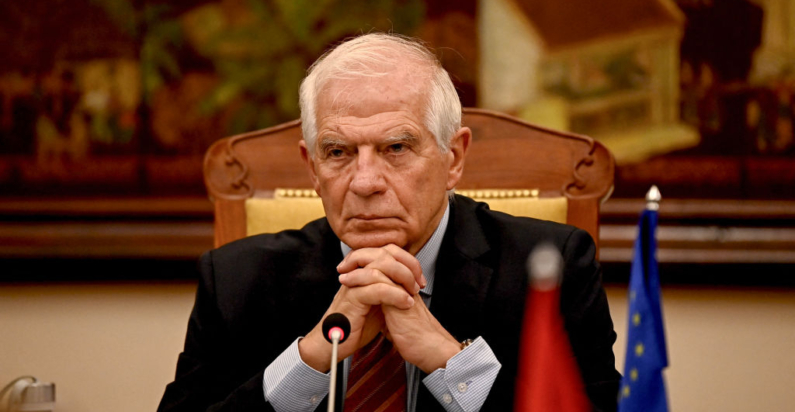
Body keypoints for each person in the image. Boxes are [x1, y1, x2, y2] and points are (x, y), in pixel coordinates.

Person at [158, 33, 621, 412]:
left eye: (396, 148)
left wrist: (448, 360)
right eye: (338, 152)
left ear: (454, 158)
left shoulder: (550, 269)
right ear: (311, 167)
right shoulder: (238, 279)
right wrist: (311, 360)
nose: (364, 182)